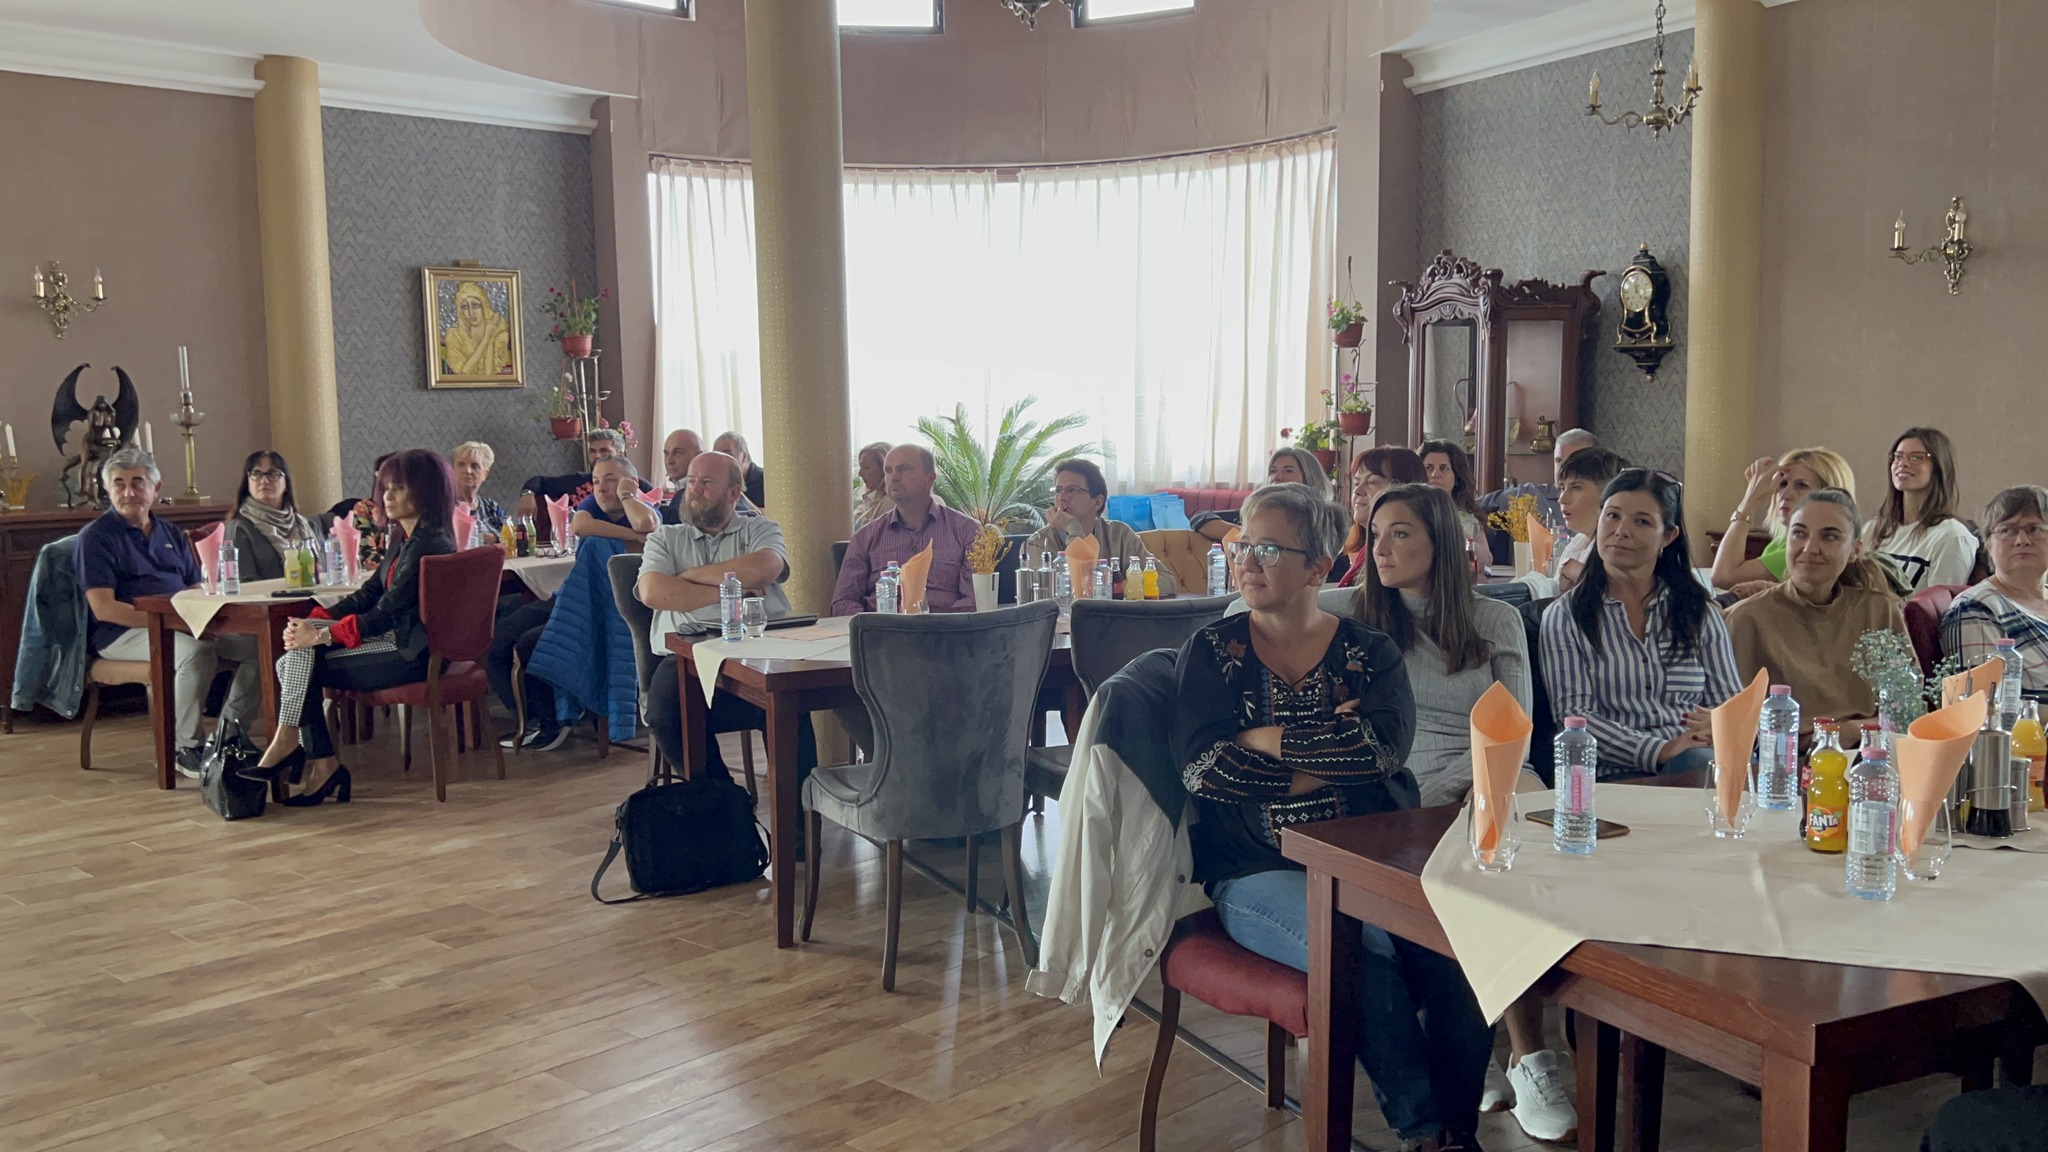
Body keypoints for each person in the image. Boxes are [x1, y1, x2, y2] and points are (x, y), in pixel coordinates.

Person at [1175, 483, 1492, 1152]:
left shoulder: (1368, 653)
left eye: (1268, 549)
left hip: (1372, 861)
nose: (1247, 562)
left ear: (1319, 566)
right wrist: (1327, 747)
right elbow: (1206, 770)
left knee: (1465, 955)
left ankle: (1456, 1130)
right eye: (1241, 546)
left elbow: (1379, 753)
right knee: (1359, 950)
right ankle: (1427, 1134)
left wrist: (1262, 738)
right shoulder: (1212, 652)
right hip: (1257, 869)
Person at [1355, 482, 1575, 1142]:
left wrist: (1469, 784)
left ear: (1440, 544)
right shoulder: (1355, 614)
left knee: (1529, 845)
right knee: (1465, 866)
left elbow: (1516, 728)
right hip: (1406, 783)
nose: (1382, 549)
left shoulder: (1495, 619)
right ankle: (1478, 1048)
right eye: (1376, 535)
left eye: (1400, 534)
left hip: (1490, 771)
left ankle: (1528, 1055)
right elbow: (1245, 610)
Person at [239, 450, 459, 805]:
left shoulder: (430, 544)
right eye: (385, 487)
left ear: (425, 492)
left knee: (294, 663)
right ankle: (312, 757)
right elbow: (369, 593)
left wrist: (321, 634)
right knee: (296, 658)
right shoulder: (407, 537)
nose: (386, 496)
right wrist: (316, 620)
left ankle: (302, 750)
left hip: (412, 653)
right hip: (396, 641)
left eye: (398, 488)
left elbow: (384, 614)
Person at [1540, 469, 1741, 779]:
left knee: (1717, 768)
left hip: (1698, 759)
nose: (1621, 531)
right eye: (1612, 516)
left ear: (1668, 536)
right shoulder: (1566, 616)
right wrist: (1661, 750)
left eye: (1642, 522)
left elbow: (1731, 705)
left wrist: (1720, 725)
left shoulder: (1697, 611)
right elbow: (1575, 719)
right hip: (1613, 773)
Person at [75, 448, 259, 778]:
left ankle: (228, 736)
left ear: (156, 488)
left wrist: (200, 615)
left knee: (258, 648)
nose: (128, 492)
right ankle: (186, 747)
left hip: (182, 623)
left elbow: (194, 587)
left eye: (137, 483)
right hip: (121, 633)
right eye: (119, 484)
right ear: (107, 489)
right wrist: (171, 622)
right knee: (195, 654)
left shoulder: (171, 533)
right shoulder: (95, 538)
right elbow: (104, 608)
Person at [639, 450, 814, 785]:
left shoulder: (760, 529)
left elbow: (765, 567)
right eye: (691, 481)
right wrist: (734, 589)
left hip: (759, 650)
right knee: (665, 713)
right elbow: (653, 592)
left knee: (791, 702)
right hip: (686, 657)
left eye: (706, 482)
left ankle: (798, 816)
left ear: (733, 493)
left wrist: (688, 577)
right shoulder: (665, 538)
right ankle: (726, 804)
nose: (694, 490)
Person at [491, 457, 652, 751]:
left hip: (610, 610)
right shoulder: (592, 506)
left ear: (631, 483)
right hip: (574, 596)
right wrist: (633, 537)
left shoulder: (643, 510)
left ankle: (552, 723)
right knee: (500, 637)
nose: (602, 488)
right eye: (597, 481)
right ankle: (529, 717)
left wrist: (630, 499)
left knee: (533, 644)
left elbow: (648, 525)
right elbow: (581, 526)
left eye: (611, 480)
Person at [1727, 489, 1905, 734]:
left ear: (1854, 550)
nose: (1810, 548)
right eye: (1799, 534)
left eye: (1829, 537)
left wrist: (1851, 731)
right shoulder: (1746, 619)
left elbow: (1908, 709)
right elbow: (1730, 721)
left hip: (1872, 749)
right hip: (1786, 752)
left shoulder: (1878, 610)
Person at [830, 445, 980, 615]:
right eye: (888, 471)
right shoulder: (865, 538)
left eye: (904, 469)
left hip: (945, 628)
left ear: (930, 478)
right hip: (882, 628)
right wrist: (871, 625)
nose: (894, 477)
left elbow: (975, 601)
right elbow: (843, 602)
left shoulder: (967, 531)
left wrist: (936, 625)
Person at [1942, 485, 2048, 697]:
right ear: (1988, 544)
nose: (2022, 541)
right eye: (2007, 530)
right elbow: (1985, 704)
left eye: (2034, 529)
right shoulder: (1975, 608)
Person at [1710, 447, 1855, 597]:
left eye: (1802, 485)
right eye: (1783, 483)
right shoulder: (1780, 542)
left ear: (1828, 495)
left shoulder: (1802, 552)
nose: (1785, 494)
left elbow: (1722, 577)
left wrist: (1749, 502)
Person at [1021, 457, 1174, 595]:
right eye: (1058, 490)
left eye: (1072, 490)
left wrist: (1119, 588)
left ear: (1097, 502)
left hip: (1114, 616)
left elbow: (1166, 580)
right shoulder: (1039, 542)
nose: (1062, 498)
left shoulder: (1119, 534)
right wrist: (1073, 528)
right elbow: (1079, 589)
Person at [1864, 427, 1979, 593]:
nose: (1903, 463)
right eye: (1898, 456)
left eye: (1916, 457)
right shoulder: (1872, 529)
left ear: (1938, 466)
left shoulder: (1952, 536)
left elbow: (1938, 605)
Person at [1518, 447, 1629, 598]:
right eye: (1562, 488)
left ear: (1608, 493)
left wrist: (1579, 573)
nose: (1562, 499)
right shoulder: (1578, 544)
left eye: (1576, 488)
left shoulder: (1620, 547)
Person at [1192, 447, 1333, 542]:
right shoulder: (1258, 514)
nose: (1277, 477)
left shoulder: (1321, 518)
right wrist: (1248, 534)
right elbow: (1200, 519)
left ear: (1309, 477)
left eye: (1288, 471)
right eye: (1273, 471)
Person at [225, 450, 324, 582]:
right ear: (247, 481)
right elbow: (245, 584)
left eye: (273, 474)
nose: (264, 481)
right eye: (257, 474)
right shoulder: (240, 528)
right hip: (266, 595)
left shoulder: (308, 526)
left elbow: (326, 571)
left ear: (286, 483)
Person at [1336, 447, 1427, 589]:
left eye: (1372, 482)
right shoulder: (1365, 548)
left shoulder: (1397, 559)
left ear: (1403, 488)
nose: (1357, 491)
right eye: (1357, 483)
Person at [1420, 440, 1492, 565]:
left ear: (1456, 478)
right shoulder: (1410, 511)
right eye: (1429, 468)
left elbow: (1486, 561)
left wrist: (1456, 533)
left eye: (1444, 468)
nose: (1435, 474)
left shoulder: (1467, 517)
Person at [451, 441, 507, 536]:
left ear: (485, 474)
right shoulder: (443, 507)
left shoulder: (492, 508)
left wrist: (496, 538)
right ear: (452, 470)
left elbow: (512, 537)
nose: (467, 470)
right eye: (461, 464)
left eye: (474, 466)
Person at [714, 431, 767, 508]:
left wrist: (738, 495)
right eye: (717, 457)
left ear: (744, 457)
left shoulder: (765, 479)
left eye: (727, 455)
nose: (721, 462)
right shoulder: (719, 481)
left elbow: (772, 513)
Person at [853, 441, 893, 530]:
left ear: (884, 470)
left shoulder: (889, 503)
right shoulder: (870, 500)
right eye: (861, 467)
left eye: (867, 468)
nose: (860, 473)